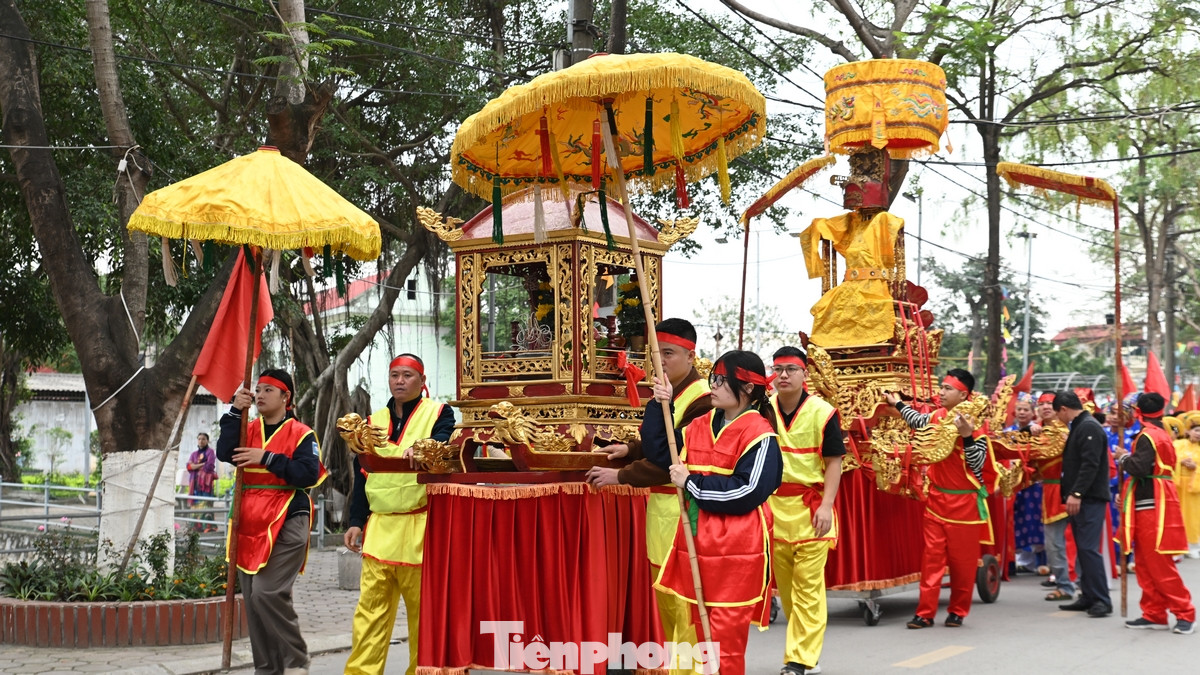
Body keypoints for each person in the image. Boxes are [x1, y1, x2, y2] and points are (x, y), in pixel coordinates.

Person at [642, 350, 783, 675]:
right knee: (689, 642)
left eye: (722, 381)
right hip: (694, 542)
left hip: (735, 553)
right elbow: (661, 453)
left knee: (723, 647)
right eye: (713, 379)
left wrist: (692, 482)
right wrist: (658, 403)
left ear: (747, 389)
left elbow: (748, 491)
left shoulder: (760, 436)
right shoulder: (699, 426)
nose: (714, 386)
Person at [585, 319, 711, 657]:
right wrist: (630, 449)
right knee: (668, 611)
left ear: (691, 356)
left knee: (686, 611)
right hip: (661, 515)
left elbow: (672, 457)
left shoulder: (703, 401)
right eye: (656, 354)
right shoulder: (669, 391)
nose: (661, 361)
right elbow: (656, 444)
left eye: (668, 353)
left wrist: (622, 476)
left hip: (686, 514)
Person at [344, 354, 455, 675]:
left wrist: (427, 447)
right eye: (395, 375)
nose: (400, 381)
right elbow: (361, 472)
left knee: (425, 616)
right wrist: (355, 521)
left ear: (422, 381)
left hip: (420, 528)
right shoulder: (372, 421)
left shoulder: (440, 413)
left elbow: (447, 442)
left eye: (407, 375)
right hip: (379, 528)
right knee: (370, 614)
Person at [217, 369, 327, 675]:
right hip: (248, 522)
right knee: (252, 604)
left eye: (268, 390)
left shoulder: (301, 434)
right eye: (258, 390)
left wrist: (266, 459)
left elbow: (307, 474)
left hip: (288, 518)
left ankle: (296, 659)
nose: (260, 395)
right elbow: (225, 452)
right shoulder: (246, 427)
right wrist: (234, 410)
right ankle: (267, 670)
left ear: (285, 397)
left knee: (266, 593)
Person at [884, 368, 1000, 629]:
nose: (941, 392)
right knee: (931, 560)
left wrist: (967, 436)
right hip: (936, 501)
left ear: (963, 394)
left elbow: (977, 464)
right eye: (942, 387)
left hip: (965, 506)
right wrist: (898, 404)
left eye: (948, 389)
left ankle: (958, 610)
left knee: (963, 564)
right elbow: (917, 421)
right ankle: (924, 613)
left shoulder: (976, 429)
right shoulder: (936, 417)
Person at [767, 346, 843, 675]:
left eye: (791, 369)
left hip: (811, 510)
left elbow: (834, 462)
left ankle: (799, 660)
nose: (783, 375)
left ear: (804, 375)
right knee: (787, 592)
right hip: (772, 511)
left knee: (808, 589)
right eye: (778, 369)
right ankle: (805, 651)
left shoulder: (823, 411)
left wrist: (827, 505)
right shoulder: (761, 409)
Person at [1115, 392, 1195, 634]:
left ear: (1138, 411)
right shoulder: (1157, 432)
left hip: (1153, 504)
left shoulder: (1148, 435)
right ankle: (1154, 612)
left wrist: (1123, 457)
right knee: (1144, 563)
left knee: (1159, 564)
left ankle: (1185, 613)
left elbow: (1139, 468)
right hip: (1149, 500)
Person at [1054, 390, 1114, 617]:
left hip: (1089, 499)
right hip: (1082, 498)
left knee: (1089, 549)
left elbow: (1090, 464)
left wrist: (1077, 493)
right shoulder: (1080, 426)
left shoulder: (1088, 426)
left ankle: (1101, 599)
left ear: (1064, 409)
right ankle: (1088, 595)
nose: (1058, 418)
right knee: (1083, 549)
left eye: (1058, 413)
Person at [1033, 391, 1075, 601]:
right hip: (1049, 491)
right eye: (1042, 404)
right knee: (1054, 543)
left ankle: (1067, 585)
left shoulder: (1064, 430)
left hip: (1066, 489)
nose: (1046, 407)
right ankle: (1065, 584)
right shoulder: (1039, 431)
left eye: (1050, 403)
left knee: (1057, 543)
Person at [1008, 396, 1045, 573]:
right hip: (1014, 483)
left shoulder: (1039, 433)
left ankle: (1041, 562)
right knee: (1016, 520)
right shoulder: (1008, 432)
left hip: (1035, 483)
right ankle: (1019, 560)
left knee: (1036, 520)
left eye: (1026, 410)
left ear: (1033, 413)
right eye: (1019, 409)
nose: (1022, 412)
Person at [1174, 419, 1200, 559]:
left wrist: (1196, 468)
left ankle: (1192, 545)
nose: (1199, 434)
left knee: (1193, 517)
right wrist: (1180, 463)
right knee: (1177, 515)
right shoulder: (1178, 444)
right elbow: (1169, 459)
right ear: (1188, 431)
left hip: (1194, 487)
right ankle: (1177, 546)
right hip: (1177, 484)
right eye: (1196, 430)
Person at [187, 432, 218, 532]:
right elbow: (189, 467)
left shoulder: (210, 452)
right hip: (195, 483)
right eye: (199, 439)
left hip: (206, 484)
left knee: (206, 503)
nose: (201, 441)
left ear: (207, 440)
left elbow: (209, 466)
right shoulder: (194, 454)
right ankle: (196, 526)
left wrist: (195, 466)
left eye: (203, 439)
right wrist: (201, 464)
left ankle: (208, 526)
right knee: (195, 503)